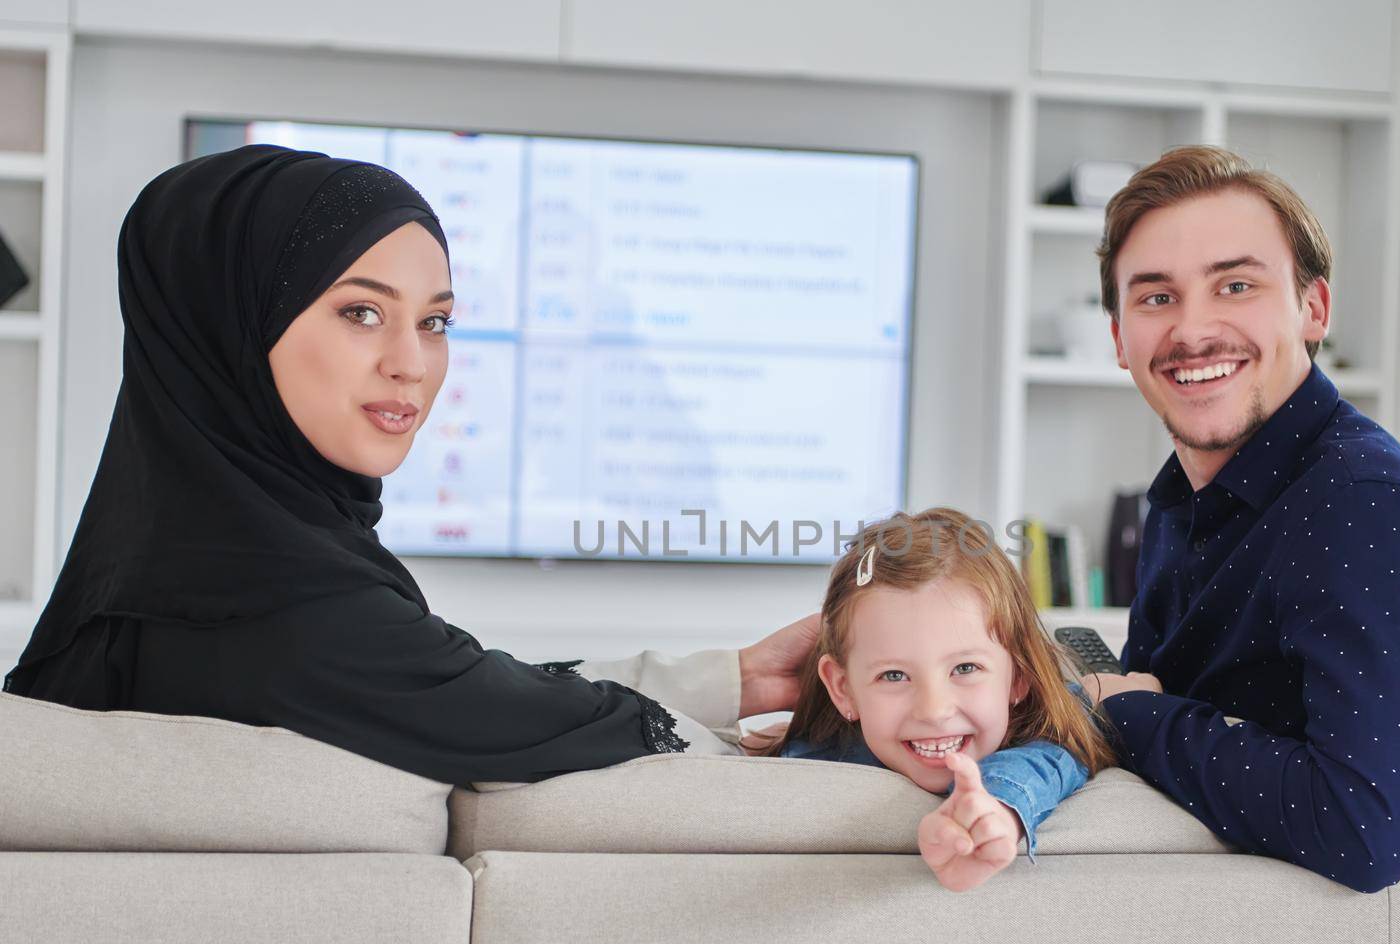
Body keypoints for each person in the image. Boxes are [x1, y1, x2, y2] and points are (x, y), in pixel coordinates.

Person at [2, 144, 816, 783]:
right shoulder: (289, 610)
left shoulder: (164, 577)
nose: (413, 364)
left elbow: (469, 685)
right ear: (234, 326)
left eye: (435, 322)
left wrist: (738, 677)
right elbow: (507, 713)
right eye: (362, 312)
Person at [1081, 146, 1400, 892]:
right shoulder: (1183, 496)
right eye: (1156, 297)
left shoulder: (1362, 501)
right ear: (1118, 339)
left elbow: (1364, 828)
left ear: (1313, 309)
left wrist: (1134, 714)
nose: (1193, 331)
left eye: (1235, 285)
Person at [745, 507, 1118, 891]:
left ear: (1018, 677)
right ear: (843, 689)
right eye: (894, 675)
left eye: (965, 668)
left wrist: (993, 811)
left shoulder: (1052, 738)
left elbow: (1045, 760)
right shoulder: (805, 764)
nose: (934, 710)